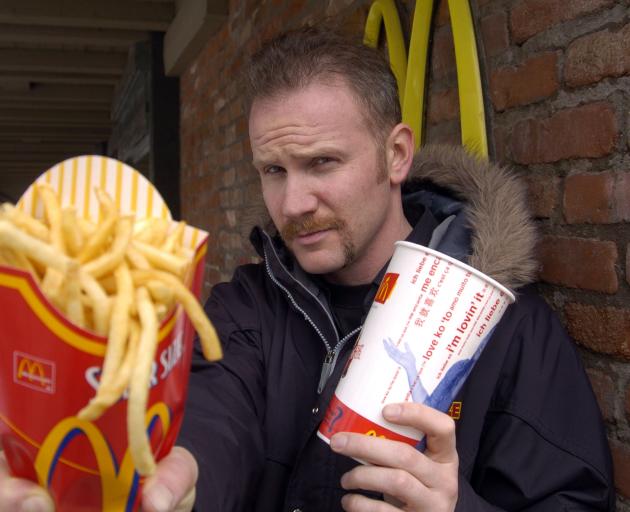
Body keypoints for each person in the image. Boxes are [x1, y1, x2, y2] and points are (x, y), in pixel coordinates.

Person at [0, 25, 615, 512]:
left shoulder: (510, 330)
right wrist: (179, 483)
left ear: (396, 154)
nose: (292, 204)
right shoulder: (243, 307)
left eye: (321, 163)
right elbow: (214, 416)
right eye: (273, 170)